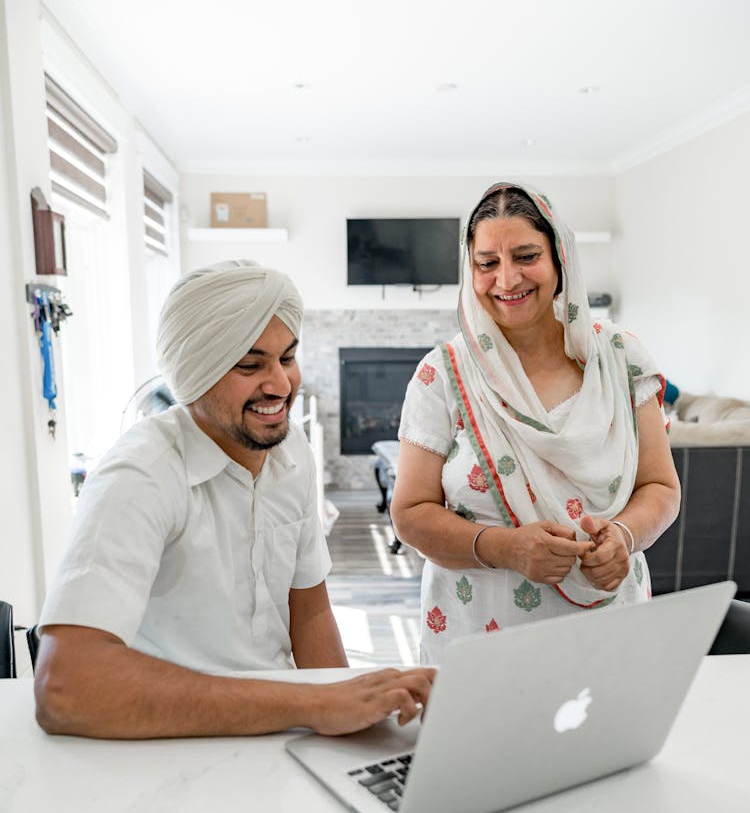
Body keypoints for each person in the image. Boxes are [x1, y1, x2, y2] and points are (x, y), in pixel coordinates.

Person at [34, 261, 434, 738]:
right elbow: (65, 687)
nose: (281, 386)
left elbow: (309, 611)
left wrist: (355, 721)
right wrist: (311, 703)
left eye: (287, 358)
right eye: (250, 365)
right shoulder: (140, 473)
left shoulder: (292, 451)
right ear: (194, 372)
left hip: (282, 738)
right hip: (163, 750)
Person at [391, 183, 680, 664]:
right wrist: (505, 548)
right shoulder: (442, 374)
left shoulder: (621, 359)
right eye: (487, 263)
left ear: (560, 259)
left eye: (526, 256)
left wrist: (624, 538)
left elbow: (660, 486)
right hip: (481, 642)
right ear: (471, 271)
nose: (507, 279)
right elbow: (410, 513)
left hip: (608, 630)